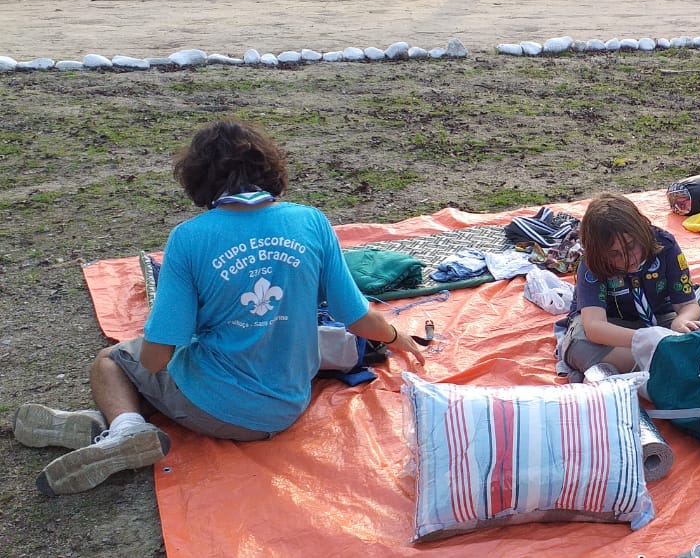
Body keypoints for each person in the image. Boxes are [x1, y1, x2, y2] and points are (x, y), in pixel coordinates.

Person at [13, 119, 422, 496]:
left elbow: (156, 359)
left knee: (114, 362)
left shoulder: (189, 239)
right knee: (171, 373)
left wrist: (180, 330)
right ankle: (106, 427)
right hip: (288, 405)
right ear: (271, 171)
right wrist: (396, 336)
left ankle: (123, 429)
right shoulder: (312, 222)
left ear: (196, 179)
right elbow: (357, 317)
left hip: (221, 409)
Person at [554, 192, 700, 382]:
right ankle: (667, 366)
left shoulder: (664, 245)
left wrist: (681, 322)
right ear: (599, 253)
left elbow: (688, 305)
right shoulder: (592, 265)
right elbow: (594, 327)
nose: (628, 260)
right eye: (615, 254)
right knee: (578, 345)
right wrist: (644, 339)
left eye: (632, 246)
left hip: (660, 322)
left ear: (642, 232)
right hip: (612, 328)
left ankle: (611, 373)